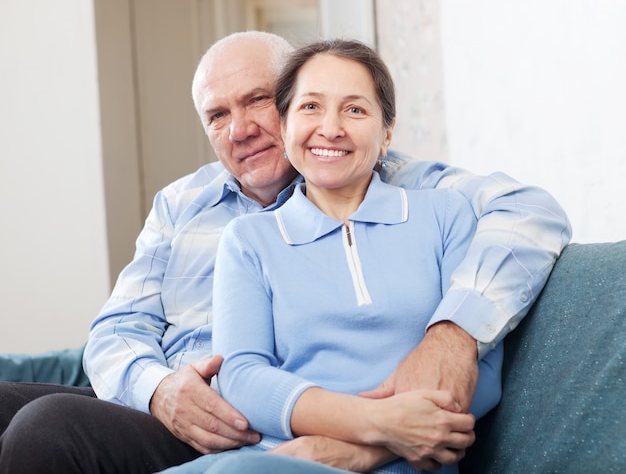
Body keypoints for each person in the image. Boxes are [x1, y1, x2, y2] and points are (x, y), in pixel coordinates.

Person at [0, 31, 571, 474]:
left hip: (256, 421)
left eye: (257, 101)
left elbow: (531, 213)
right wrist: (156, 389)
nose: (240, 129)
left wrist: (454, 331)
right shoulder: (184, 203)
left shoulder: (411, 192)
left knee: (47, 429)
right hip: (166, 401)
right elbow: (117, 328)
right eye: (218, 115)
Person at [161, 38, 503, 474]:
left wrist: (362, 452)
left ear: (387, 133)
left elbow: (481, 367)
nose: (331, 128)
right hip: (279, 457)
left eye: (355, 110)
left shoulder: (445, 215)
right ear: (284, 127)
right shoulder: (248, 239)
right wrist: (376, 422)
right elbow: (242, 377)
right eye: (310, 107)